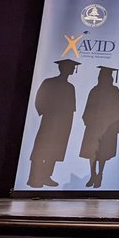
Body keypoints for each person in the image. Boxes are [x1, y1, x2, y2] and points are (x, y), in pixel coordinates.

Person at [27, 58, 80, 188]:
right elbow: (40, 99)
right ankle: (34, 178)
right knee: (41, 148)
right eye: (70, 67)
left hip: (63, 123)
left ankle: (46, 176)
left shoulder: (70, 87)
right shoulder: (49, 82)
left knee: (56, 149)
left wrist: (68, 124)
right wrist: (46, 112)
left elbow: (71, 108)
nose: (72, 69)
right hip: (49, 121)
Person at [78, 66, 119, 188]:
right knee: (92, 152)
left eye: (106, 76)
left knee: (103, 153)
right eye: (102, 76)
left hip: (107, 127)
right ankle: (93, 175)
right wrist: (87, 120)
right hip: (94, 127)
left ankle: (100, 175)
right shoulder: (94, 90)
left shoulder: (114, 90)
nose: (103, 78)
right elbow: (88, 107)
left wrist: (117, 126)